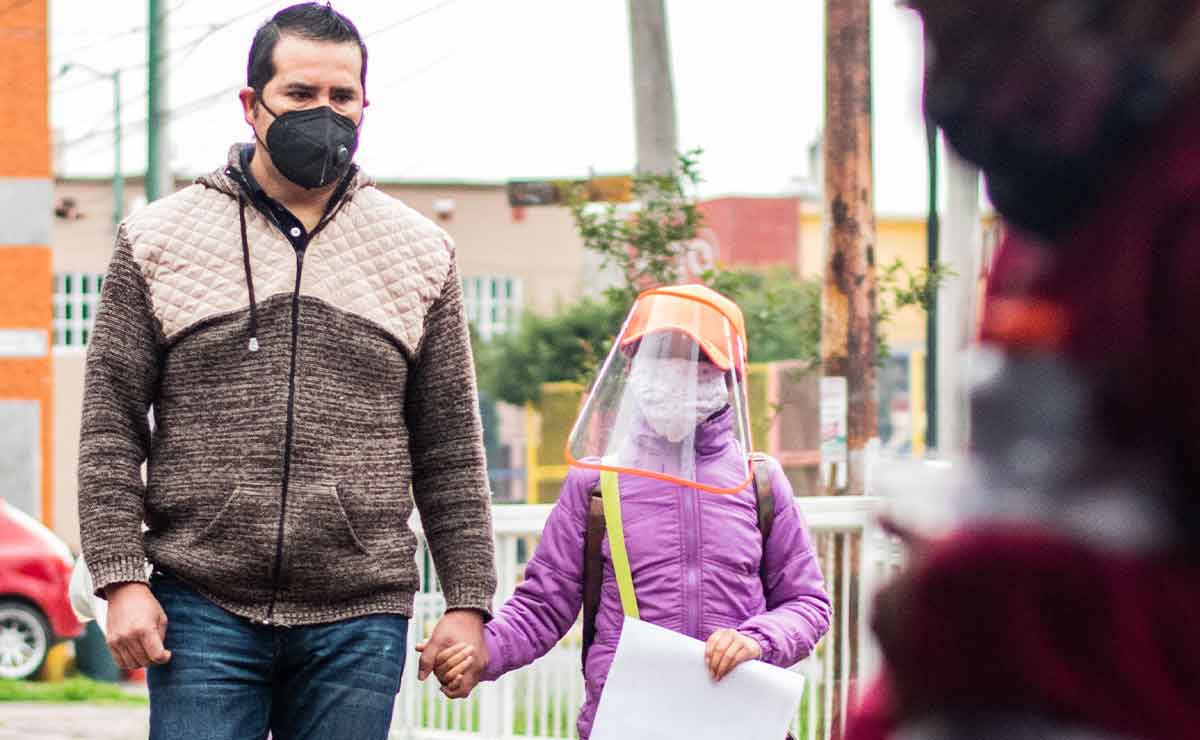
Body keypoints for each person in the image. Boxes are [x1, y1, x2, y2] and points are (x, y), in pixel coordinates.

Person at [76, 4, 495, 738]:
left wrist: (468, 600)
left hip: (359, 613)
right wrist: (120, 580)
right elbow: (109, 425)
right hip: (200, 603)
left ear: (365, 105)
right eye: (301, 95)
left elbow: (451, 447)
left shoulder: (421, 252)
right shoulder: (157, 237)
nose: (324, 113)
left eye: (343, 97)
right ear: (252, 104)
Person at [850, 1, 1200, 738]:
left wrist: (971, 597)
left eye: (989, 32)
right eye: (932, 35)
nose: (946, 89)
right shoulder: (1060, 225)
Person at [420, 284, 832, 739]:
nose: (673, 371)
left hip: (739, 721)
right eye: (657, 355)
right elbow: (543, 604)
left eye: (696, 359)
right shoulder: (596, 484)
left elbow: (807, 602)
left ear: (729, 375)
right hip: (626, 723)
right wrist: (483, 654)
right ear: (631, 366)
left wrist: (758, 639)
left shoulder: (761, 483)